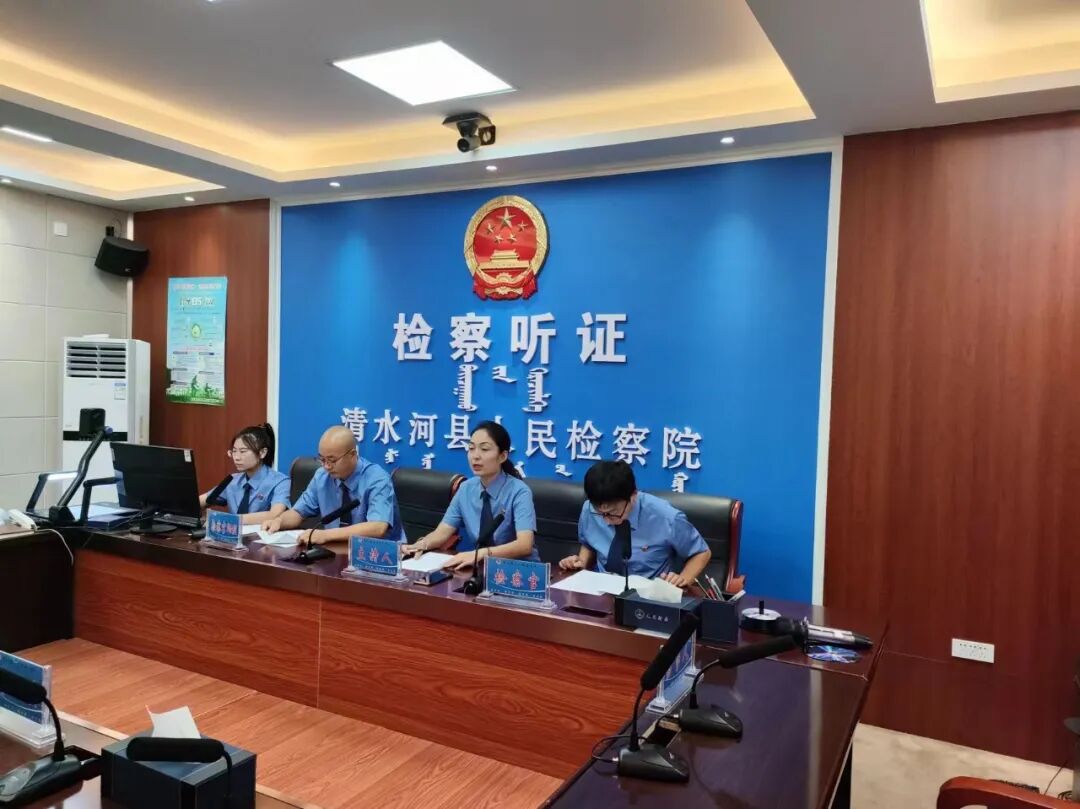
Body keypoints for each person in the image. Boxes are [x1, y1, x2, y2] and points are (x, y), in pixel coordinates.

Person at [403, 420, 538, 570]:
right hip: (481, 570)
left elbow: (524, 545)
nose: (475, 456)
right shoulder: (466, 489)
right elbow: (442, 532)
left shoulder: (519, 492)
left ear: (502, 456)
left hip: (520, 572)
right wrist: (421, 545)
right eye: (471, 448)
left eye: (484, 449)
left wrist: (480, 554)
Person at [560, 459, 711, 588]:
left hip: (647, 594)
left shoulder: (667, 518)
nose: (606, 520)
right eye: (600, 513)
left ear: (633, 496)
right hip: (599, 588)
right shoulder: (589, 509)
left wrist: (682, 580)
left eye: (613, 513)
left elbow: (701, 552)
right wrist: (580, 563)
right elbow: (589, 544)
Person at [260, 425, 404, 545]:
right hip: (335, 550)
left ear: (352, 454)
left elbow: (378, 527)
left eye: (332, 460)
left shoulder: (377, 479)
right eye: (322, 459)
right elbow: (298, 512)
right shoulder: (322, 476)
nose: (326, 466)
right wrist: (279, 521)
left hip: (379, 557)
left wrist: (325, 535)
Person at [200, 423, 290, 525]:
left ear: (262, 453)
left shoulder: (281, 482)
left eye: (243, 451)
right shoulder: (232, 481)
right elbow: (201, 501)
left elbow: (275, 515)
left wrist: (227, 520)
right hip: (233, 534)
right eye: (234, 451)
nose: (236, 457)